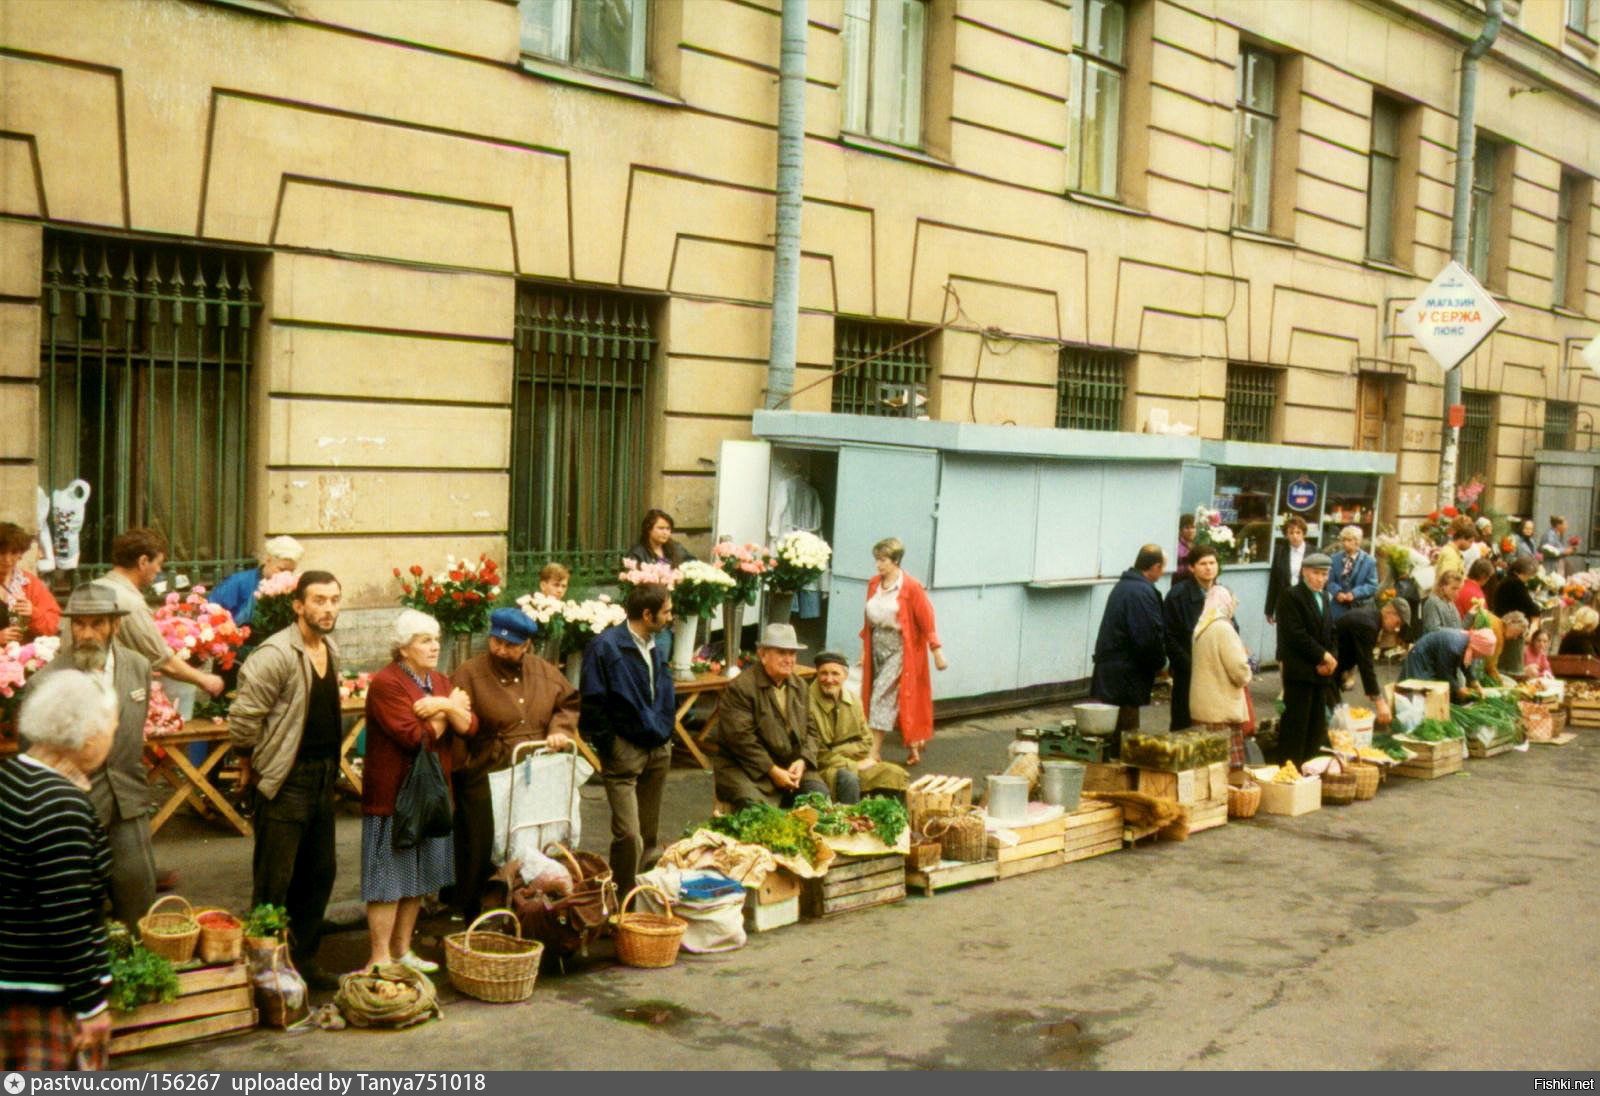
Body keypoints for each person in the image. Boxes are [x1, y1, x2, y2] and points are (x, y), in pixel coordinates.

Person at [226, 571, 344, 987]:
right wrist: (247, 760)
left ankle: (304, 962)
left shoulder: (330, 647)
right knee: (276, 878)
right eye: (318, 600)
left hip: (324, 778)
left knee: (320, 872)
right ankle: (264, 973)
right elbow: (243, 719)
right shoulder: (275, 654)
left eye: (333, 599)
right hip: (285, 778)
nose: (327, 608)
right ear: (298, 605)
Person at [1, 672, 117, 1071]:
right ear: (88, 741)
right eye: (112, 730)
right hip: (44, 999)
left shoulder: (12, 775)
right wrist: (91, 1006)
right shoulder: (61, 806)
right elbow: (66, 919)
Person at [29, 585, 154, 927]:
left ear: (116, 624)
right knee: (80, 902)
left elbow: (133, 729)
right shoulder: (46, 682)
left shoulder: (138, 666)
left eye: (96, 623)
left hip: (129, 799)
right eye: (79, 624)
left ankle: (136, 968)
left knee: (138, 893)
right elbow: (39, 758)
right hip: (76, 807)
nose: (86, 633)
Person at [361, 610, 475, 972]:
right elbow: (414, 737)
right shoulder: (386, 683)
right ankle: (379, 958)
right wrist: (450, 710)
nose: (434, 646)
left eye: (436, 639)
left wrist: (442, 705)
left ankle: (401, 950)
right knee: (387, 879)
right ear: (403, 648)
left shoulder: (440, 682)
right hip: (393, 797)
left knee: (417, 877)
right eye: (424, 640)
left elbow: (471, 727)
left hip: (434, 794)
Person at [450, 607, 579, 919]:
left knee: (531, 838)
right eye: (496, 642)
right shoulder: (470, 672)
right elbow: (455, 722)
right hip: (487, 768)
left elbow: (569, 703)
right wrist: (461, 767)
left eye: (510, 645)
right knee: (481, 840)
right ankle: (475, 909)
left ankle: (528, 906)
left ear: (527, 646)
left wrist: (559, 731)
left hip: (535, 770)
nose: (501, 649)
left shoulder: (543, 670)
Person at [580, 583, 675, 895]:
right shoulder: (605, 647)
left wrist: (665, 733)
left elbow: (663, 691)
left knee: (648, 835)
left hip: (657, 748)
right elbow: (593, 703)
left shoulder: (655, 643)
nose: (670, 617)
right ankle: (621, 903)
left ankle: (640, 902)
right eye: (666, 611)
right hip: (625, 751)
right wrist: (612, 747)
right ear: (647, 615)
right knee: (629, 835)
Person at [91, 528, 223, 700]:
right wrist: (205, 680)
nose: (159, 570)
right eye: (159, 563)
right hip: (110, 700)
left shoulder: (89, 589)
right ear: (143, 561)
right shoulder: (129, 602)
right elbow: (163, 661)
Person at [714, 624, 829, 809]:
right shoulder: (741, 688)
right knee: (761, 813)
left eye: (792, 653)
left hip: (790, 765)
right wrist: (773, 771)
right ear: (763, 654)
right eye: (782, 653)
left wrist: (803, 761)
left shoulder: (800, 686)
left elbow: (812, 731)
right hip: (745, 769)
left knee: (818, 798)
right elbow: (741, 741)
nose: (789, 659)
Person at [859, 537, 947, 767]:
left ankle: (874, 752)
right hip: (877, 643)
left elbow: (927, 619)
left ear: (896, 560)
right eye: (877, 560)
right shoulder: (873, 584)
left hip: (901, 647)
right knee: (896, 697)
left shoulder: (911, 587)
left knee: (881, 695)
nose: (878, 565)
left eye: (883, 560)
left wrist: (936, 650)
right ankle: (914, 745)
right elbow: (867, 621)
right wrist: (864, 651)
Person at [808, 650, 908, 804]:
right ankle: (853, 823)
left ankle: (892, 824)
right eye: (823, 673)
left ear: (845, 676)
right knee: (849, 779)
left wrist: (839, 750)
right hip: (825, 768)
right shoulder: (808, 703)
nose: (829, 679)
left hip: (854, 761)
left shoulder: (854, 700)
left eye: (835, 674)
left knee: (895, 773)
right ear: (817, 674)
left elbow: (867, 741)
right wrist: (854, 764)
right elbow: (818, 754)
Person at [1090, 545, 1168, 739]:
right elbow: (1147, 637)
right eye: (1163, 567)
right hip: (1125, 674)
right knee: (1125, 735)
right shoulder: (1140, 592)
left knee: (1112, 729)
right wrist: (1161, 662)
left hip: (1114, 670)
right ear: (1156, 566)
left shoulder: (1126, 585)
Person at [1275, 552, 1337, 767]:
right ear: (1304, 573)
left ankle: (1309, 769)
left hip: (1321, 672)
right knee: (1296, 725)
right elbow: (1296, 634)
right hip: (1300, 669)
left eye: (1325, 574)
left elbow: (1331, 630)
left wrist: (1332, 658)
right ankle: (1289, 769)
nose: (1321, 579)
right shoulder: (1291, 596)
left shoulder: (1325, 597)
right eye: (1317, 574)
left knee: (1316, 725)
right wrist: (1322, 655)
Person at [1189, 585, 1252, 769]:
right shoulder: (1223, 628)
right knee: (1226, 771)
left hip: (1203, 708)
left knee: (1205, 769)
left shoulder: (1202, 626)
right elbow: (1239, 669)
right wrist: (1248, 672)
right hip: (1221, 710)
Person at [1163, 544, 1219, 731]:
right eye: (1203, 563)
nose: (1209, 567)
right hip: (1188, 670)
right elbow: (1168, 635)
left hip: (1216, 670)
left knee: (1211, 722)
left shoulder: (1221, 594)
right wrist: (1188, 664)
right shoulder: (1178, 595)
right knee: (1184, 722)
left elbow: (1232, 628)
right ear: (1192, 567)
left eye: (1212, 562)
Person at [1334, 599, 1410, 724]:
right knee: (1334, 718)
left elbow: (1356, 650)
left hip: (1333, 669)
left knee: (1336, 716)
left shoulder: (1370, 617)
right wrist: (1379, 701)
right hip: (1322, 671)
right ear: (1390, 613)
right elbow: (1366, 665)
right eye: (1398, 623)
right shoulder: (1368, 625)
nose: (1397, 628)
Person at [209, 535, 304, 628]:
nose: (286, 575)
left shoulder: (292, 588)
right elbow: (211, 611)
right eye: (281, 569)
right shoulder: (238, 582)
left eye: (291, 571)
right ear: (268, 559)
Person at [0, 521, 60, 641]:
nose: (7, 559)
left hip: (24, 656)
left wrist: (34, 613)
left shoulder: (29, 583)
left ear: (20, 554)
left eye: (13, 552)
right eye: (1, 553)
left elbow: (53, 626)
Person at [1401, 628, 1494, 704]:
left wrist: (1475, 682)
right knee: (1420, 692)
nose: (1480, 657)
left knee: (1435, 692)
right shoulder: (1455, 646)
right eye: (1482, 655)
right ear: (1478, 647)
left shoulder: (1468, 641)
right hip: (1421, 657)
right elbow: (1444, 672)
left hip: (1434, 659)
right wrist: (1458, 688)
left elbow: (1465, 664)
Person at [1326, 526, 1378, 621]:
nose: (1345, 543)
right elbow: (1329, 581)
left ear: (1357, 541)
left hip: (1360, 608)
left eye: (1349, 540)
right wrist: (1337, 592)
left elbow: (1372, 586)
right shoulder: (1334, 559)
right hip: (1338, 608)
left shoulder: (1369, 561)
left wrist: (1354, 593)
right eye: (1343, 540)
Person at [1264, 515, 1308, 624]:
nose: (1295, 536)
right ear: (1286, 535)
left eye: (1298, 532)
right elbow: (1273, 582)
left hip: (1306, 604)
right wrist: (1269, 609)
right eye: (1291, 533)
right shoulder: (1280, 552)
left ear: (1304, 534)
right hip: (1284, 603)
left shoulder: (1314, 552)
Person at [624, 509, 692, 568]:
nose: (665, 532)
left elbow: (694, 564)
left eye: (668, 529)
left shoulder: (676, 548)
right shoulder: (637, 553)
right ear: (648, 529)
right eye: (661, 528)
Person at [1492, 556, 1543, 625]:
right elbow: (1531, 607)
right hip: (1506, 621)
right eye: (1530, 575)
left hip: (1502, 616)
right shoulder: (1515, 584)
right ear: (1524, 572)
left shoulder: (1510, 579)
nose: (1529, 578)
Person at [1490, 610, 1531, 683]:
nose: (1515, 638)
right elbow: (1490, 664)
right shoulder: (1497, 632)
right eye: (1518, 633)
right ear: (1511, 623)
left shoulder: (1499, 629)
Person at [1434, 518, 1476, 583]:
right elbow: (1448, 581)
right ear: (1462, 537)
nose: (1470, 546)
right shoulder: (1451, 555)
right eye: (1470, 542)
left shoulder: (1452, 551)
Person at [1422, 571, 1464, 635]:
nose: (1456, 593)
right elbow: (1433, 630)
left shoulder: (1450, 602)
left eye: (1458, 589)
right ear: (1443, 587)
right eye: (1453, 588)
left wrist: (1471, 615)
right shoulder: (1433, 602)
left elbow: (1459, 629)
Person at [1174, 514, 1196, 581]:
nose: (1190, 531)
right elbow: (1176, 570)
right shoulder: (1178, 546)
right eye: (1187, 528)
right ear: (1180, 530)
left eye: (1193, 527)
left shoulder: (1194, 544)